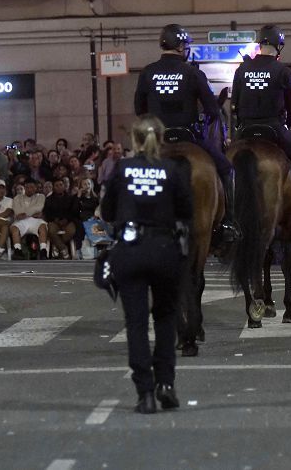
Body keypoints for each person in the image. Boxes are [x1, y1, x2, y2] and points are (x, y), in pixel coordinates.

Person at [101, 115, 192, 414]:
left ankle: (145, 393)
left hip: (130, 249)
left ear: (135, 140)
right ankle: (166, 382)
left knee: (136, 324)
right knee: (166, 318)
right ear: (162, 138)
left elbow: (107, 210)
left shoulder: (122, 169)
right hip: (165, 249)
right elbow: (186, 210)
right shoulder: (172, 169)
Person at [135, 24, 240, 240]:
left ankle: (133, 222)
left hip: (158, 139)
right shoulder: (192, 72)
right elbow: (212, 109)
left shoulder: (148, 72)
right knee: (227, 170)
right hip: (188, 135)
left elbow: (139, 109)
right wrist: (203, 121)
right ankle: (229, 222)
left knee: (134, 172)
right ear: (181, 46)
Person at [231, 24, 291, 229]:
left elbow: (234, 105)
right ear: (278, 46)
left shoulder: (242, 69)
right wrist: (287, 125)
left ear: (260, 43)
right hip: (273, 129)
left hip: (245, 130)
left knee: (224, 167)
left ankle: (227, 217)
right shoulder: (283, 71)